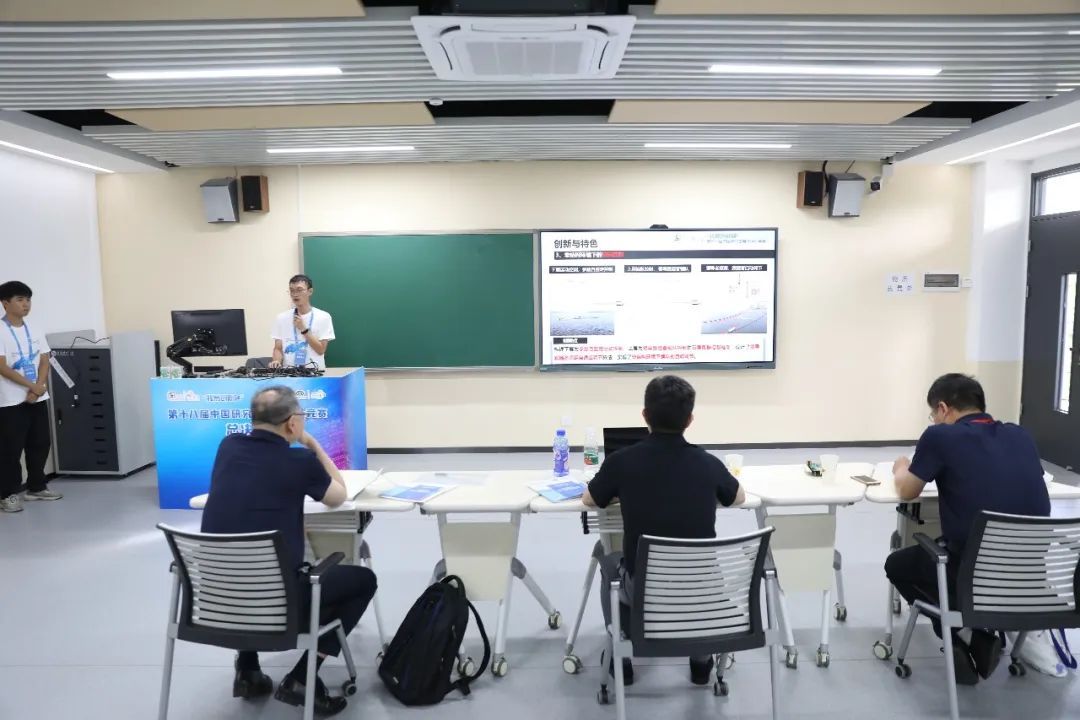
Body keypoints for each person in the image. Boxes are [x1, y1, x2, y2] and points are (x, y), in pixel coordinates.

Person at [201, 386, 376, 716]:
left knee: (246, 562)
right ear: (292, 423)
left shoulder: (228, 447)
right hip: (279, 606)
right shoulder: (299, 460)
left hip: (215, 602)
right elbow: (338, 495)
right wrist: (312, 444)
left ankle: (248, 670)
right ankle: (302, 677)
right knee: (362, 581)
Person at [885, 373, 1050, 685]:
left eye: (933, 414)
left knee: (898, 564)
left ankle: (963, 635)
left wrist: (901, 467)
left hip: (974, 577)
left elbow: (907, 490)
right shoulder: (1020, 435)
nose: (934, 420)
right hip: (1030, 581)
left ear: (943, 408)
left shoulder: (940, 437)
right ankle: (975, 634)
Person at [583, 375, 745, 686]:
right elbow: (738, 497)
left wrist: (621, 491)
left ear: (644, 415)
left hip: (643, 588)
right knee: (697, 573)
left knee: (608, 560)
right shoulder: (708, 463)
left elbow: (589, 499)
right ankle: (701, 662)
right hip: (702, 589)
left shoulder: (621, 462)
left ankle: (621, 657)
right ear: (690, 419)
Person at [0, 281, 61, 513]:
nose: (26, 304)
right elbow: (2, 366)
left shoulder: (34, 328)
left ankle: (37, 487)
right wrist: (31, 386)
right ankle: (8, 494)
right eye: (20, 300)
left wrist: (39, 387)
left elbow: (44, 359)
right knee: (10, 449)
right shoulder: (0, 330)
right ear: (5, 303)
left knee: (40, 443)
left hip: (37, 397)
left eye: (28, 300)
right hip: (10, 400)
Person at [270, 274, 335, 370]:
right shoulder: (281, 318)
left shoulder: (324, 317)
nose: (295, 294)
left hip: (315, 373)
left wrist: (304, 329)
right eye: (292, 290)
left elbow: (321, 350)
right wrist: (276, 360)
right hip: (289, 373)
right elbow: (278, 348)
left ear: (310, 291)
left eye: (299, 290)